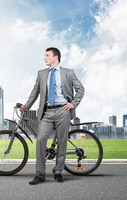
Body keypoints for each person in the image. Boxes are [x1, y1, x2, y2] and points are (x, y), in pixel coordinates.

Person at [20, 47, 84, 185]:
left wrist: (73, 104)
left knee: (62, 142)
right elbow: (35, 92)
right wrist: (26, 106)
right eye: (44, 55)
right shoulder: (42, 73)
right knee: (40, 141)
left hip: (63, 111)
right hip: (46, 112)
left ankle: (58, 172)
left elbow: (80, 89)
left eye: (47, 55)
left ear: (56, 57)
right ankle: (40, 174)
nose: (44, 58)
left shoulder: (69, 73)